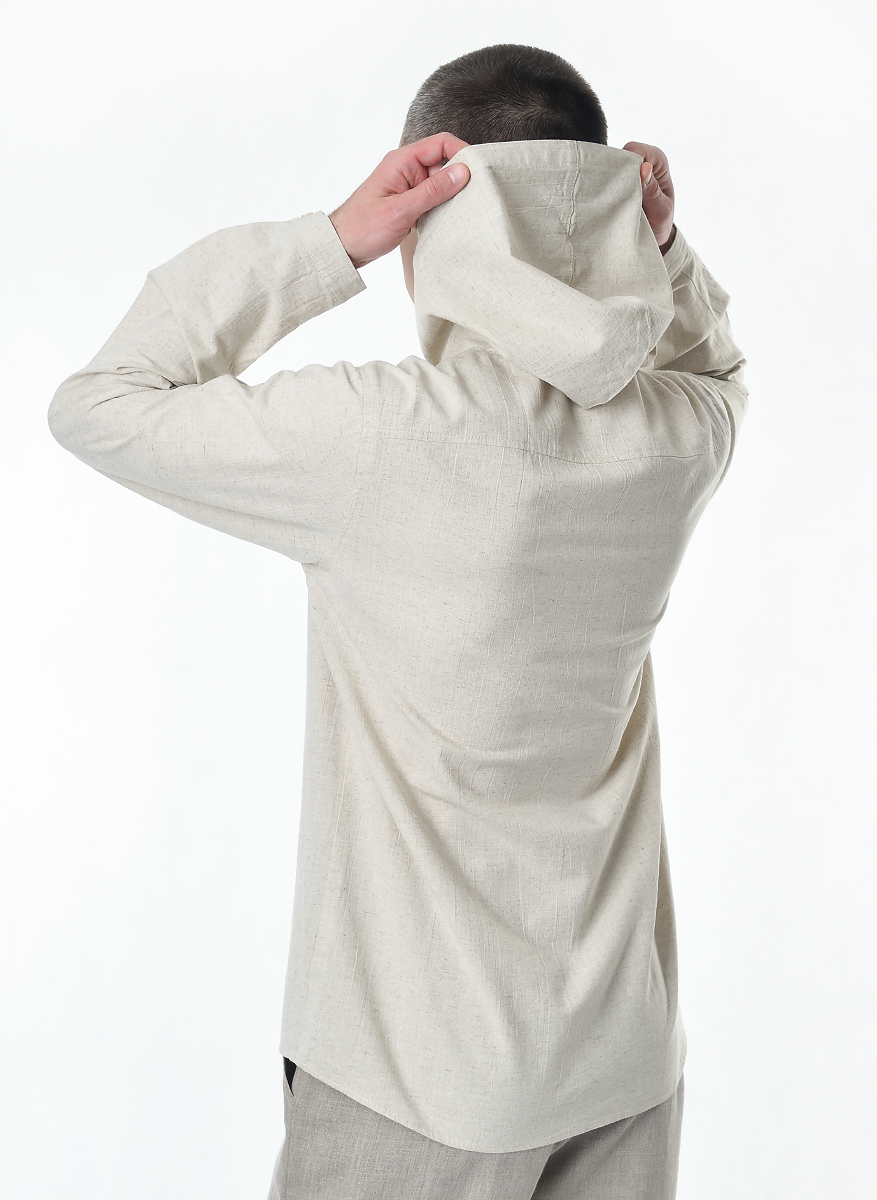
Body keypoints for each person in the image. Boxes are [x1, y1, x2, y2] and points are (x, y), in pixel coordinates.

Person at [49, 42, 747, 1200]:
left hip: (418, 1080)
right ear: (609, 212)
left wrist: (334, 242)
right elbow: (719, 373)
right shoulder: (673, 437)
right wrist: (661, 256)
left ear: (436, 225)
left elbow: (101, 404)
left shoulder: (379, 438)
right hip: (623, 1058)